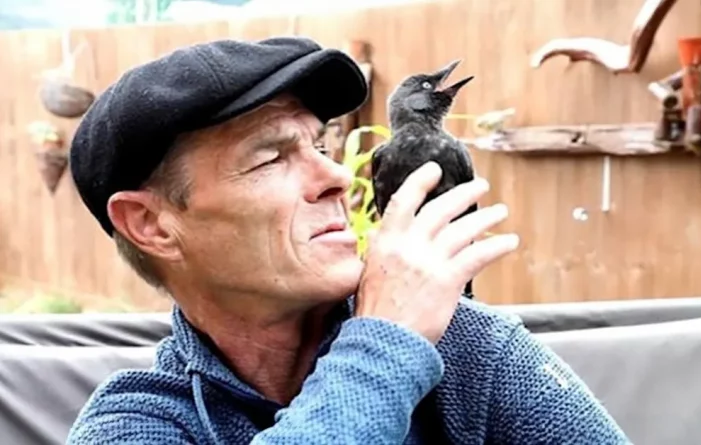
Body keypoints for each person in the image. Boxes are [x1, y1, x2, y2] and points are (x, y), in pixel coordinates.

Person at [65, 36, 630, 444]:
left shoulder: (466, 346)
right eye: (271, 157)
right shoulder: (136, 422)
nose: (338, 177)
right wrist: (383, 344)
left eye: (321, 147)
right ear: (152, 225)